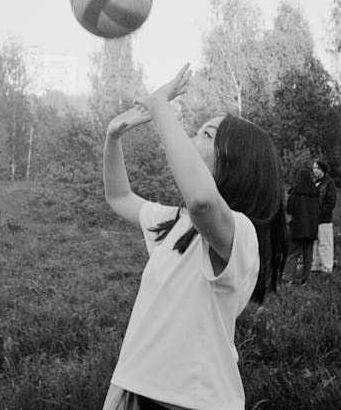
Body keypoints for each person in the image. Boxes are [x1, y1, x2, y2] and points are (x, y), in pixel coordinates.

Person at [101, 63, 287, 410]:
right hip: (133, 392)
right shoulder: (176, 222)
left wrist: (160, 106)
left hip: (192, 403)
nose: (190, 138)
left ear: (237, 164)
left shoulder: (240, 233)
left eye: (205, 135)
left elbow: (202, 200)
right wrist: (113, 137)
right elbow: (119, 197)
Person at [285, 169, 320, 286]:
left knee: (293, 254)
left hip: (297, 227)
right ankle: (305, 280)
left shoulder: (295, 191)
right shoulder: (315, 191)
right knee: (308, 255)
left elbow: (289, 209)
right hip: (311, 228)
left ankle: (288, 279)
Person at [311, 158, 337, 274]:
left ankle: (326, 267)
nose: (314, 170)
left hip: (324, 219)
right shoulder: (313, 182)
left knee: (325, 243)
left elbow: (331, 201)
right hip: (313, 219)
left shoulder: (329, 182)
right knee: (314, 243)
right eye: (313, 168)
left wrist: (321, 212)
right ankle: (315, 266)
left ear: (322, 169)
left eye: (317, 168)